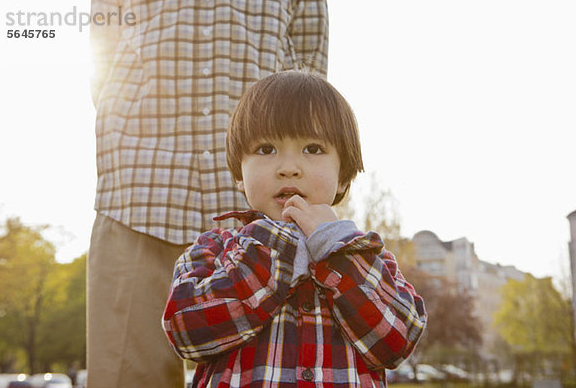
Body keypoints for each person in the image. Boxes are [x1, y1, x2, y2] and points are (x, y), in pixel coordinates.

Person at [88, 0, 329, 387]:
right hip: (137, 187)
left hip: (264, 203)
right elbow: (103, 41)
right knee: (125, 378)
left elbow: (309, 74)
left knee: (267, 374)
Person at [162, 71, 427, 388]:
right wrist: (279, 247)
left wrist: (334, 249)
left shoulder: (366, 256)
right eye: (266, 149)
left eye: (313, 149)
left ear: (343, 176)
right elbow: (186, 331)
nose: (288, 167)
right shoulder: (213, 249)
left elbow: (397, 340)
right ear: (239, 174)